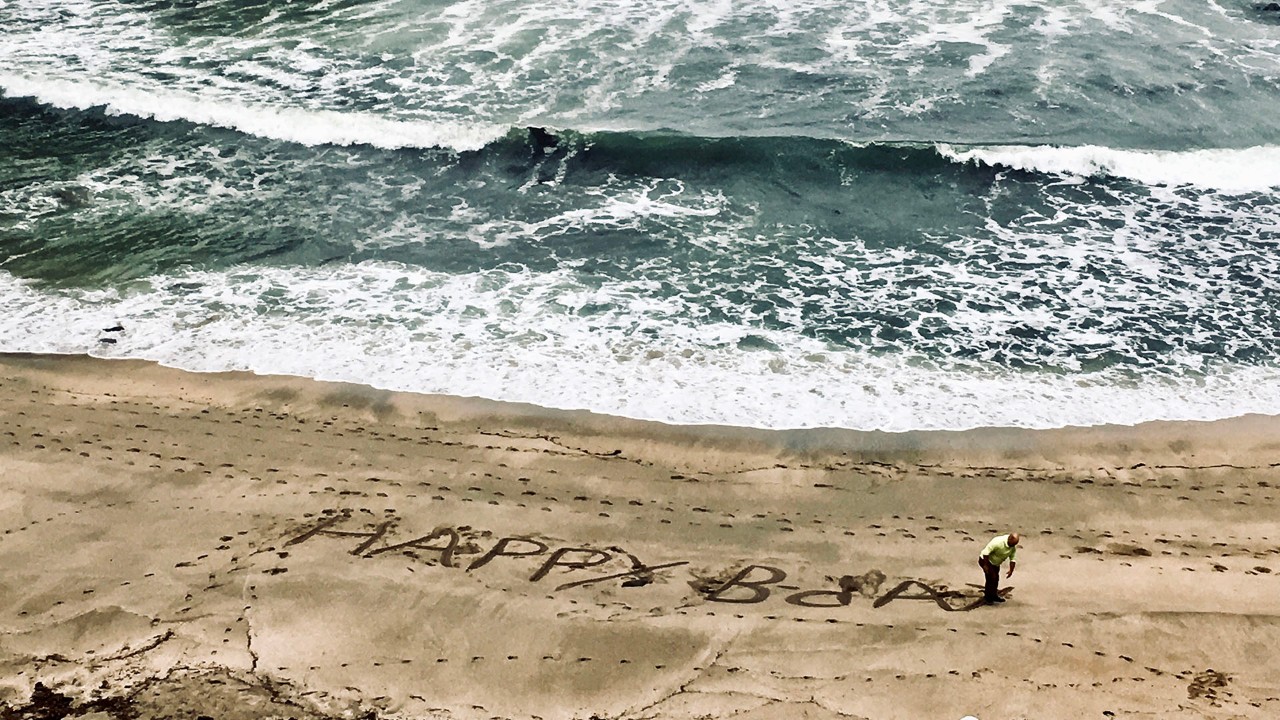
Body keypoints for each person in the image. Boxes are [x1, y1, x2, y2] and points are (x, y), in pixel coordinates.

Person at [979, 532, 1019, 604]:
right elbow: (985, 553)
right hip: (985, 560)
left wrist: (1011, 570)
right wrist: (985, 566)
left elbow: (1012, 559)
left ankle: (994, 595)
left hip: (996, 563)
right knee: (991, 578)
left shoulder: (1012, 547)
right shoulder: (997, 542)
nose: (1013, 546)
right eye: (1012, 544)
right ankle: (988, 598)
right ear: (1009, 539)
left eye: (1014, 544)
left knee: (996, 578)